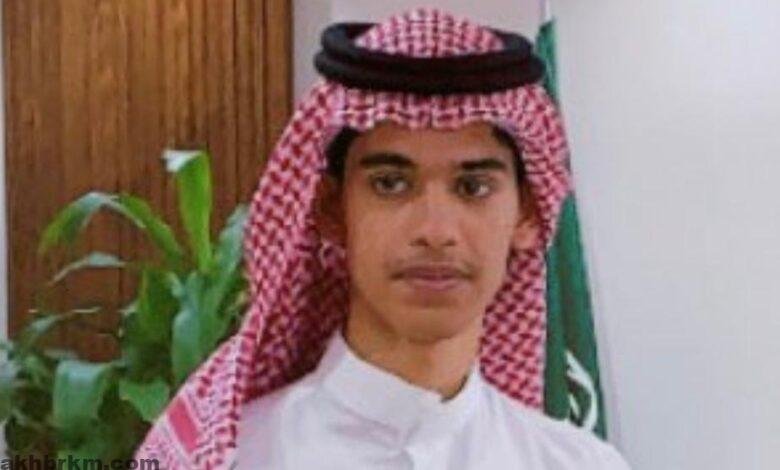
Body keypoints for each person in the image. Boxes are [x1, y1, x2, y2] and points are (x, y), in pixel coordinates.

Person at [135, 8, 631, 469]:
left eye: (473, 187)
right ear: (332, 210)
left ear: (526, 214)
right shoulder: (228, 457)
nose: (436, 232)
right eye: (391, 184)